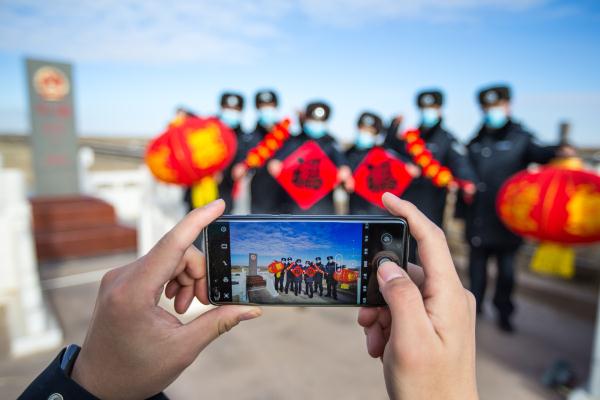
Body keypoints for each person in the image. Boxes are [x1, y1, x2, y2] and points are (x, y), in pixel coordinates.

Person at [20, 195, 478, 400]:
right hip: (298, 280)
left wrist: (89, 388)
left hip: (312, 280)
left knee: (316, 286)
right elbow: (286, 269)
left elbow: (311, 270)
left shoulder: (318, 266)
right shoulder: (285, 265)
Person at [461, 84, 567, 333]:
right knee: (476, 271)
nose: (492, 112)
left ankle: (504, 312)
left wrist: (560, 150)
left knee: (507, 273)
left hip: (508, 221)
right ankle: (473, 311)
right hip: (478, 218)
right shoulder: (475, 141)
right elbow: (464, 169)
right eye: (487, 108)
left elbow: (541, 153)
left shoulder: (521, 137)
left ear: (508, 106)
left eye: (496, 107)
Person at [388, 90, 478, 263]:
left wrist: (468, 181)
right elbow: (390, 149)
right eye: (424, 108)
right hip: (406, 204)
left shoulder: (447, 138)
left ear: (439, 110)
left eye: (431, 107)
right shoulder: (409, 137)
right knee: (404, 255)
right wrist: (393, 127)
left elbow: (460, 162)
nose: (427, 112)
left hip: (432, 207)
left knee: (429, 256)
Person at [267, 101, 354, 214]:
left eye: (319, 122)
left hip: (323, 208)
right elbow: (277, 160)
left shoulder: (330, 142)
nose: (316, 124)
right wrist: (275, 164)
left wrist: (344, 171)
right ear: (306, 119)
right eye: (313, 120)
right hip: (293, 208)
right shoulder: (294, 140)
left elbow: (342, 163)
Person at [232, 89, 288, 214]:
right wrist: (241, 167)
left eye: (270, 106)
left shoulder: (287, 135)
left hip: (285, 198)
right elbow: (242, 160)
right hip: (260, 198)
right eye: (263, 106)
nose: (267, 110)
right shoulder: (250, 137)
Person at [345, 111, 389, 215]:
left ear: (376, 134)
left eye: (369, 131)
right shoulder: (348, 152)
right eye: (362, 129)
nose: (364, 133)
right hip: (355, 208)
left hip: (378, 210)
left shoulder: (384, 153)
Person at [216, 92, 249, 214]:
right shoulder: (209, 130)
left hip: (226, 195)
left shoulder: (242, 136)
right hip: (201, 194)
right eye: (228, 108)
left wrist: (243, 167)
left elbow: (245, 158)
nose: (231, 112)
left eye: (235, 109)